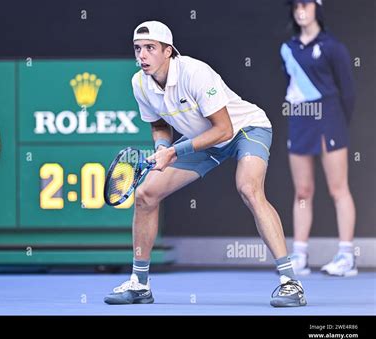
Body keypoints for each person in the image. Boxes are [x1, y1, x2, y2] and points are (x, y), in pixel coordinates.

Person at [104, 20, 307, 307]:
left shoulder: (195, 73)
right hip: (201, 138)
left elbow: (223, 129)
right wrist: (162, 147)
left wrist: (174, 152)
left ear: (168, 51)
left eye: (150, 48)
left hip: (244, 129)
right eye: (138, 49)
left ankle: (290, 283)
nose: (142, 55)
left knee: (248, 189)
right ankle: (140, 284)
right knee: (146, 194)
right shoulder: (140, 83)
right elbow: (160, 124)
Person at [281, 0, 357, 276]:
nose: (300, 10)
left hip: (329, 120)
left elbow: (348, 92)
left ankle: (346, 256)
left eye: (306, 4)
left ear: (317, 8)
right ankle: (299, 254)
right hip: (299, 122)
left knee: (338, 189)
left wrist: (336, 122)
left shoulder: (333, 47)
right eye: (295, 5)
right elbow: (289, 85)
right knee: (302, 191)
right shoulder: (287, 49)